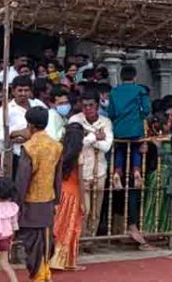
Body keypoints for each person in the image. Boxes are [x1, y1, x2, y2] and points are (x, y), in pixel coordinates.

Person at [15, 106, 63, 282]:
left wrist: (17, 204)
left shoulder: (29, 147)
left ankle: (37, 276)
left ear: (30, 125)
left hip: (30, 202)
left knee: (32, 243)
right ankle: (45, 274)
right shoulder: (56, 146)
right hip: (48, 200)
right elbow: (58, 177)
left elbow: (22, 180)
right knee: (45, 240)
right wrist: (57, 199)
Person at [107, 65, 151, 246]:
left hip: (119, 128)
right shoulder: (140, 90)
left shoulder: (115, 91)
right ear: (134, 77)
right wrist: (138, 115)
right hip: (135, 127)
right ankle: (136, 171)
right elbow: (146, 109)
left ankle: (116, 172)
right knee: (135, 149)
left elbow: (111, 112)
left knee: (119, 150)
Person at [69, 91, 113, 249]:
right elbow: (75, 143)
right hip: (81, 171)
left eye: (91, 105)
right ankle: (79, 239)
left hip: (99, 169)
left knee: (96, 209)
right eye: (85, 105)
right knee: (84, 209)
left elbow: (107, 146)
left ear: (97, 105)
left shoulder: (106, 121)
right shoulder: (75, 120)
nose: (88, 109)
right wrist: (96, 136)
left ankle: (89, 240)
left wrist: (88, 136)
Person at [0, 76, 47, 178]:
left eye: (26, 90)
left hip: (40, 153)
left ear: (30, 91)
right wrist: (15, 134)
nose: (23, 93)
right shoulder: (5, 110)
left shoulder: (38, 105)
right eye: (20, 90)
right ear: (13, 91)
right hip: (17, 155)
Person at [50, 123, 86, 271]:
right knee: (72, 227)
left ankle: (52, 257)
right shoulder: (78, 155)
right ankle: (68, 261)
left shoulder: (59, 150)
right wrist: (83, 202)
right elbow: (81, 180)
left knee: (57, 226)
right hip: (73, 194)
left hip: (59, 192)